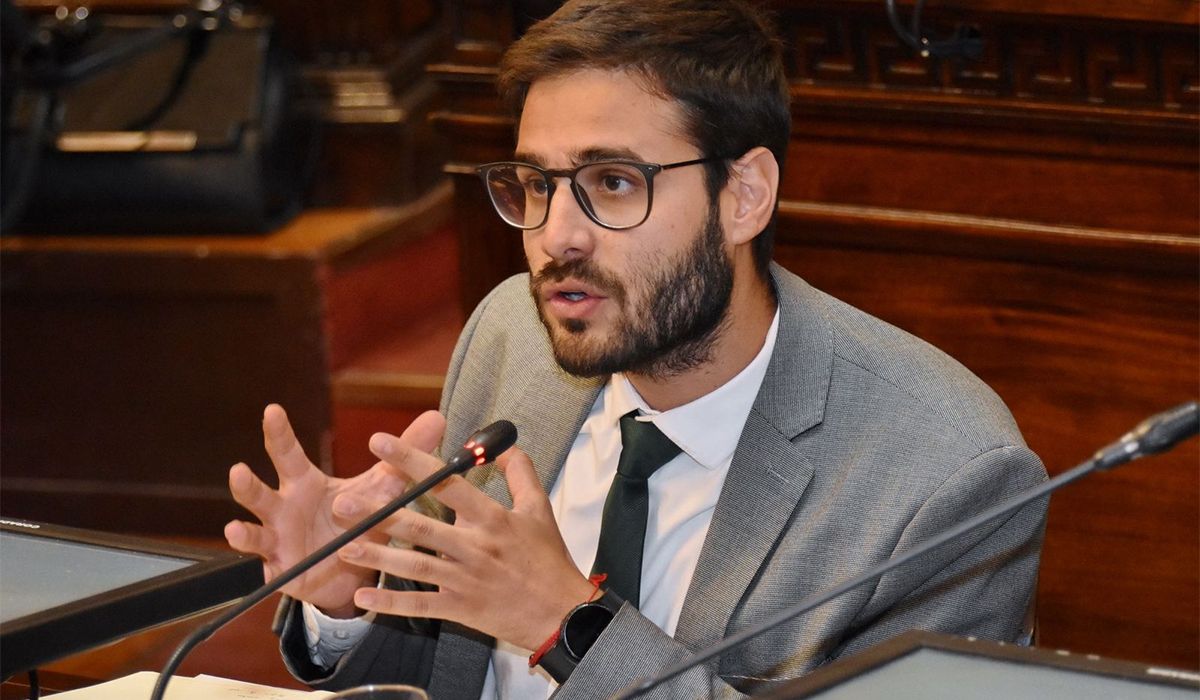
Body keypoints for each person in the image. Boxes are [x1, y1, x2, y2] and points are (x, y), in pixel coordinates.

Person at [223, 1, 1048, 697]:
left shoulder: (947, 478)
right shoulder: (513, 333)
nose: (556, 238)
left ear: (744, 196)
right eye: (536, 185)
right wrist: (349, 601)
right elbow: (448, 672)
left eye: (612, 182)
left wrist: (568, 626)